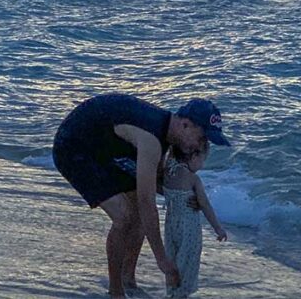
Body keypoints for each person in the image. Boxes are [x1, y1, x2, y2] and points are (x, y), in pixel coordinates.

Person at [52, 95, 230, 298]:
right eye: (202, 138)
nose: (201, 146)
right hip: (73, 146)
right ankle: (116, 291)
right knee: (125, 216)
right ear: (185, 124)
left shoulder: (166, 134)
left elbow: (159, 185)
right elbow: (147, 202)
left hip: (108, 148)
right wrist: (162, 260)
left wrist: (188, 197)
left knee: (137, 215)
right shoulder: (151, 140)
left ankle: (128, 280)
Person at [162, 142, 227, 299]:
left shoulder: (167, 173)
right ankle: (181, 294)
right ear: (194, 156)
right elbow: (205, 205)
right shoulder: (193, 179)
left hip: (171, 225)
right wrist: (218, 228)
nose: (202, 165)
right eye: (203, 160)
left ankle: (173, 292)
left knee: (172, 257)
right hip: (189, 227)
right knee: (187, 260)